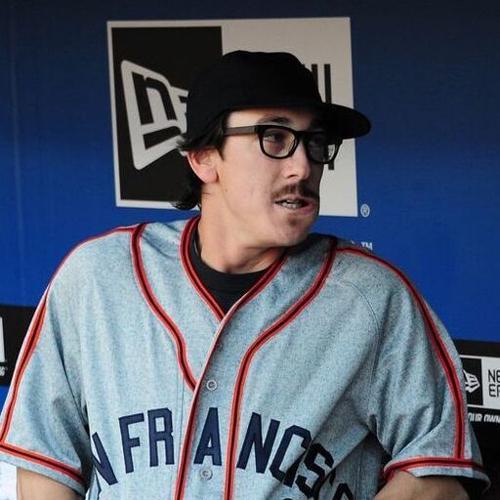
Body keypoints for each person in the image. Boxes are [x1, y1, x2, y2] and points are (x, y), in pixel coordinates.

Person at [0, 51, 489, 499]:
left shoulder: (372, 298)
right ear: (203, 157)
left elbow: (438, 478)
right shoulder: (97, 278)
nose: (302, 166)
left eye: (316, 142)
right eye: (274, 137)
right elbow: (44, 465)